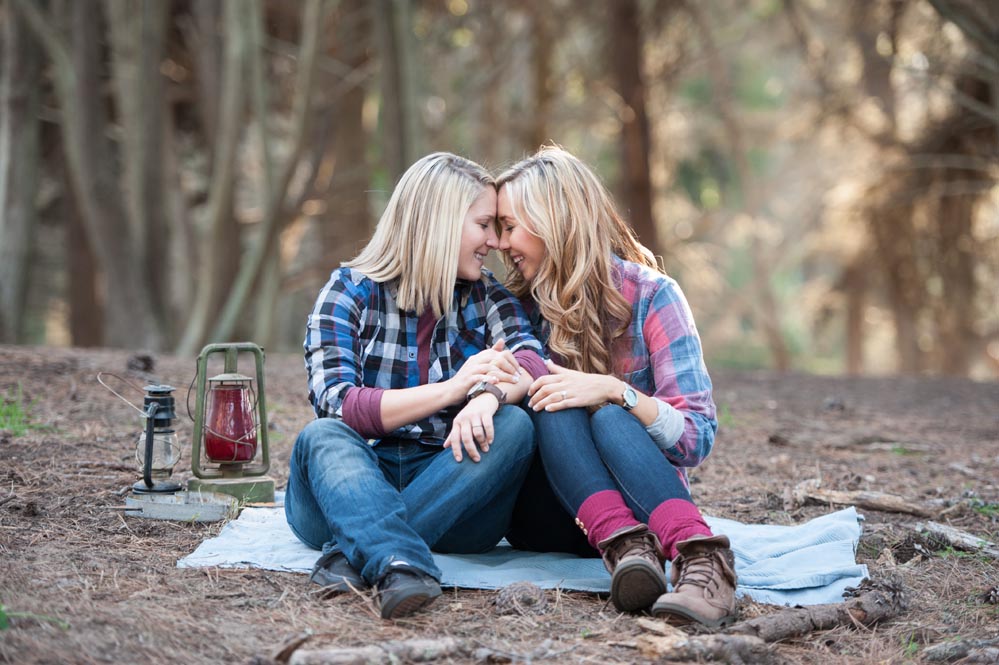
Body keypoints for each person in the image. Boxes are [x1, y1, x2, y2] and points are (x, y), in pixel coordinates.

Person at [285, 152, 546, 620]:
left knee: (514, 425)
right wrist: (453, 390)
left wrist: (487, 397)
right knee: (321, 436)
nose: (494, 241)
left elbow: (530, 360)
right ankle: (397, 557)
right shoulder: (348, 292)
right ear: (441, 222)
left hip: (454, 485)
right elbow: (339, 405)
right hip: (348, 487)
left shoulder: (488, 298)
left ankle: (361, 553)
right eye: (483, 224)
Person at [497, 146, 737, 628]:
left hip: (645, 503)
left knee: (608, 411)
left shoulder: (653, 296)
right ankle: (627, 548)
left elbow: (696, 437)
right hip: (551, 512)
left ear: (553, 220)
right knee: (553, 395)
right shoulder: (512, 309)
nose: (500, 243)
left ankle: (702, 562)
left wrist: (613, 390)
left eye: (509, 226)